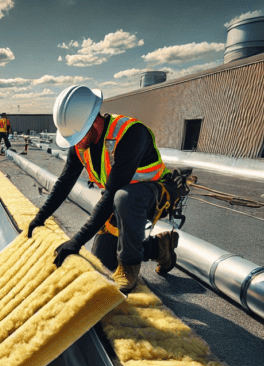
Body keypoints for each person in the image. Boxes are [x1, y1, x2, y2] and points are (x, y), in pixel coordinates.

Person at [27, 85, 182, 294]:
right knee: (103, 261)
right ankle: (160, 248)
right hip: (120, 202)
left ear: (95, 123)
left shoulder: (130, 133)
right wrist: (39, 218)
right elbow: (64, 182)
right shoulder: (81, 144)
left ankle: (130, 268)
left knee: (124, 197)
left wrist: (77, 240)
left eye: (78, 136)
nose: (77, 144)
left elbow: (113, 194)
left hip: (152, 196)